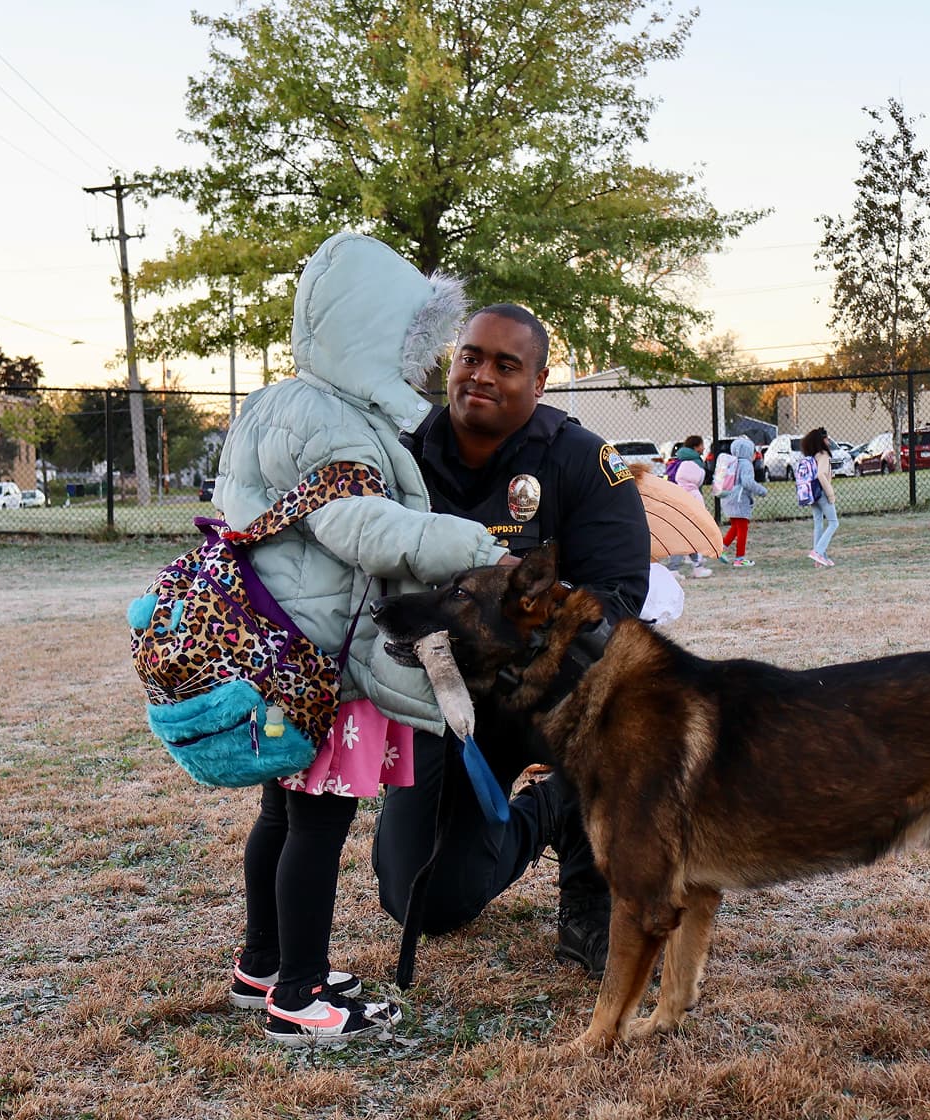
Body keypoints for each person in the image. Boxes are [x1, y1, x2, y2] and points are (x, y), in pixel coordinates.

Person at [215, 233, 509, 1045]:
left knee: (282, 813)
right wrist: (473, 545)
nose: (420, 363)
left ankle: (263, 963)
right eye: (407, 340)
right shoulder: (326, 414)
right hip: (327, 659)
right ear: (366, 333)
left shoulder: (280, 401)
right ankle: (299, 995)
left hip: (288, 655)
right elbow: (357, 527)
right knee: (318, 824)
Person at [372, 302, 649, 978]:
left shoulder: (581, 459)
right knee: (423, 898)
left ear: (541, 380)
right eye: (471, 356)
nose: (482, 375)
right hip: (440, 699)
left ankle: (590, 892)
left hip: (542, 697)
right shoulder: (400, 453)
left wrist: (517, 603)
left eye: (506, 364)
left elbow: (618, 603)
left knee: (619, 696)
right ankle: (547, 810)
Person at [716, 434, 769, 567]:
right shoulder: (746, 464)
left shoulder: (732, 462)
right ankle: (740, 558)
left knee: (735, 526)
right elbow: (747, 482)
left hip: (728, 497)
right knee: (742, 528)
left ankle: (721, 548)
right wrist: (762, 490)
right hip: (740, 499)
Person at [664, 435, 711, 578]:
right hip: (688, 509)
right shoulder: (695, 462)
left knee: (684, 537)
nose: (703, 448)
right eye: (702, 445)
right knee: (689, 537)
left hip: (675, 503)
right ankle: (689, 567)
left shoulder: (678, 458)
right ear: (696, 447)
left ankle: (689, 566)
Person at [802, 428, 839, 567]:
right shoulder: (824, 455)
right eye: (826, 438)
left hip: (813, 493)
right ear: (821, 441)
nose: (828, 441)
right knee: (834, 523)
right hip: (822, 492)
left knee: (818, 523)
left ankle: (820, 558)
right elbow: (821, 475)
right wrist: (830, 494)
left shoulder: (813, 455)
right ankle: (818, 552)